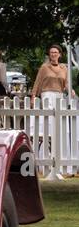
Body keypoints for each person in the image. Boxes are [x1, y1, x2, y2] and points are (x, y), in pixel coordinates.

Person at [30, 44, 73, 178]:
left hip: (59, 96)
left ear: (60, 54)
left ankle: (60, 158)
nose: (53, 54)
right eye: (51, 52)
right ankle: (45, 159)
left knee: (59, 127)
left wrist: (70, 90)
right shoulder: (44, 67)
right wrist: (33, 96)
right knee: (48, 126)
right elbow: (37, 82)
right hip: (47, 95)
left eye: (56, 52)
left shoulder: (64, 68)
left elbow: (66, 83)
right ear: (49, 55)